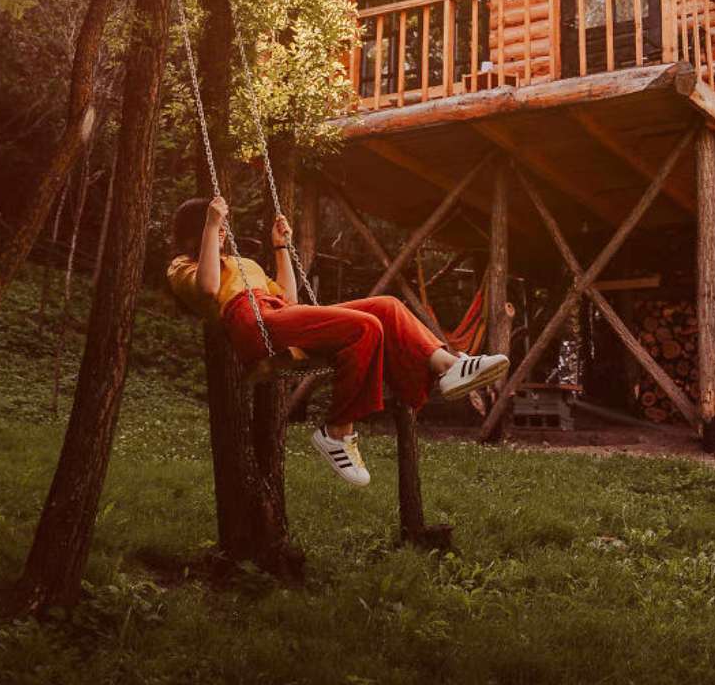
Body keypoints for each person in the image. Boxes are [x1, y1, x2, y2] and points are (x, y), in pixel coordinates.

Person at [166, 195, 509, 487]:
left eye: (223, 229)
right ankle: (337, 430)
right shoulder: (181, 267)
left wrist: (280, 246)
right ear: (193, 233)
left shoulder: (243, 263)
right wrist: (212, 225)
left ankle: (448, 366)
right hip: (251, 323)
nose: (223, 234)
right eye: (215, 229)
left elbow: (288, 298)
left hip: (275, 313)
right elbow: (209, 288)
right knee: (366, 327)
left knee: (386, 308)